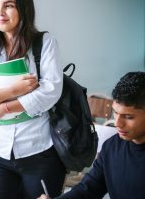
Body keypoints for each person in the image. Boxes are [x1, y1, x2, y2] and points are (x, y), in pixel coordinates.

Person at [0, 0, 66, 198]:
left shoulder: (44, 42)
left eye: (8, 5)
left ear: (23, 9)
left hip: (39, 150)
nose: (0, 12)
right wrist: (13, 91)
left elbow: (50, 91)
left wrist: (3, 108)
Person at [38, 71, 145, 199]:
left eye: (129, 117)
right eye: (115, 113)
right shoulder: (111, 147)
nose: (118, 123)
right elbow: (88, 189)